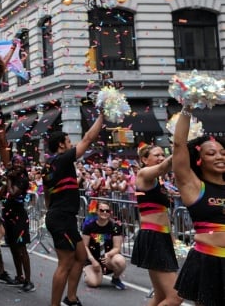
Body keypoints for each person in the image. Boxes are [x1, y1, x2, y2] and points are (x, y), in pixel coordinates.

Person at [43, 111, 105, 306]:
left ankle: (70, 298)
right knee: (65, 263)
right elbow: (88, 138)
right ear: (61, 145)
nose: (71, 144)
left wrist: (52, 209)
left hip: (62, 217)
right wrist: (102, 116)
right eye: (69, 141)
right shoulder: (61, 159)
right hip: (61, 218)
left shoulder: (50, 165)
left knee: (80, 257)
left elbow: (46, 193)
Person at [171, 109, 225, 306]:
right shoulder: (194, 186)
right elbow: (178, 146)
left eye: (223, 152)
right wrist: (187, 108)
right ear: (199, 159)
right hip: (209, 262)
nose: (219, 156)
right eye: (211, 153)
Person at [131, 144, 182, 306]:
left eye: (162, 154)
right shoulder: (144, 173)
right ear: (144, 159)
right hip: (153, 236)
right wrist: (181, 147)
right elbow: (163, 167)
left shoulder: (156, 180)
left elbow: (163, 214)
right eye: (156, 155)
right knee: (175, 298)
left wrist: (172, 239)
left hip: (161, 236)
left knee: (160, 296)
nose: (161, 157)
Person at [0, 155, 35, 293]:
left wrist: (9, 179)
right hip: (8, 216)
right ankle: (19, 276)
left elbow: (13, 193)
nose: (18, 165)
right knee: (13, 247)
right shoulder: (11, 179)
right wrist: (6, 180)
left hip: (19, 217)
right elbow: (0, 195)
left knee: (21, 248)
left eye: (21, 163)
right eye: (16, 163)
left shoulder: (23, 180)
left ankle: (28, 280)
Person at [81, 202, 127, 290]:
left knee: (120, 260)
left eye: (107, 210)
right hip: (93, 260)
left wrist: (108, 254)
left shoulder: (115, 227)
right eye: (102, 210)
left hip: (107, 259)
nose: (105, 212)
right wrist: (92, 260)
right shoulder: (89, 226)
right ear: (97, 211)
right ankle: (88, 273)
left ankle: (115, 278)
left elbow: (117, 247)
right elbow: (84, 245)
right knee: (94, 283)